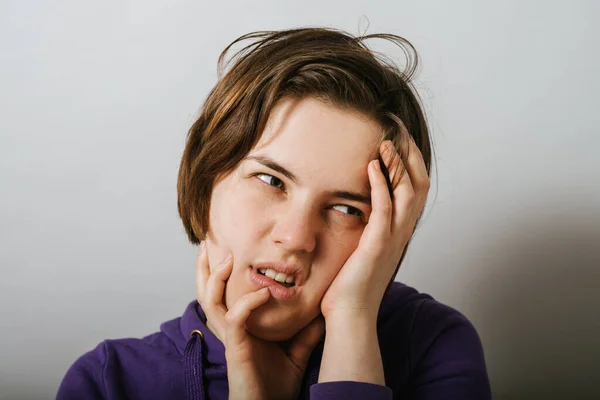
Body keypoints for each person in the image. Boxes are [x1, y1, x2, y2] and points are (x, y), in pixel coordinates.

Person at [57, 27, 491, 399]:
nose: (297, 237)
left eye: (346, 208)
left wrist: (352, 319)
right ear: (207, 176)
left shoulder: (432, 344)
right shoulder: (108, 381)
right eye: (271, 181)